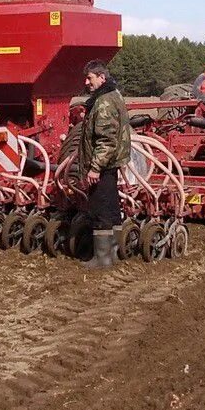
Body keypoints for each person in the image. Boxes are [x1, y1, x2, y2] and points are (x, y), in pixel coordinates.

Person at [77, 60, 132, 269]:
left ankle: (102, 259)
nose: (86, 82)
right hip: (111, 165)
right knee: (111, 208)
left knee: (100, 210)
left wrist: (94, 168)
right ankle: (113, 255)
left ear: (102, 77)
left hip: (103, 166)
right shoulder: (113, 95)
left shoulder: (104, 102)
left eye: (90, 77)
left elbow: (106, 141)